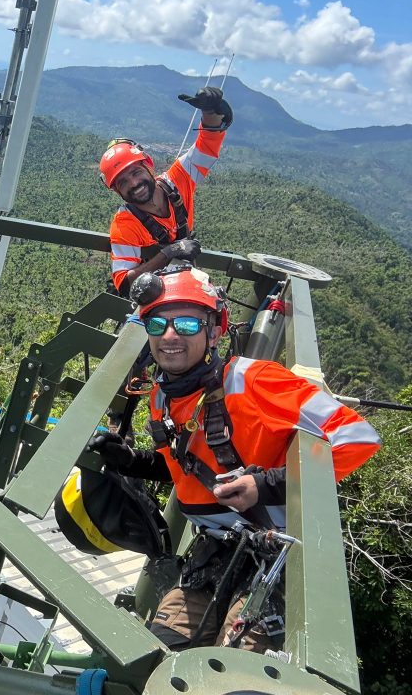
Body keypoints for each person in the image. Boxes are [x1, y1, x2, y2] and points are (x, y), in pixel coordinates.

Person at [89, 266, 380, 651]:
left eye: (188, 325)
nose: (170, 336)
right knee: (161, 656)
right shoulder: (162, 398)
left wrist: (265, 485)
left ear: (214, 331)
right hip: (213, 550)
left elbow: (358, 437)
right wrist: (133, 461)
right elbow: (184, 469)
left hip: (274, 554)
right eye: (158, 324)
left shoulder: (256, 382)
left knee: (234, 669)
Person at [101, 86, 233, 298]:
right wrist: (170, 252)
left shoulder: (178, 181)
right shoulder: (125, 224)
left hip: (184, 285)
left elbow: (206, 147)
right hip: (153, 297)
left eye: (136, 172)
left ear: (149, 166)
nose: (134, 183)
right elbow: (124, 284)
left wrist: (211, 112)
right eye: (123, 182)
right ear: (117, 191)